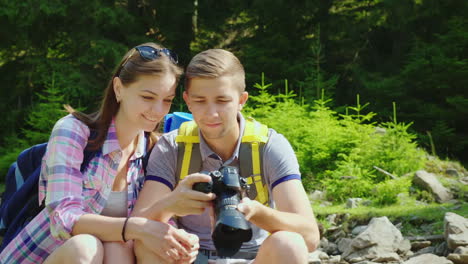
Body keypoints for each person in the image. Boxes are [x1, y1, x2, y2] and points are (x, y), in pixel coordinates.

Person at [0, 42, 199, 264]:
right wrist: (134, 227)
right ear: (118, 89)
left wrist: (179, 238)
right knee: (85, 246)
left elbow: (152, 221)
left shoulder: (155, 149)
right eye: (148, 97)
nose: (158, 111)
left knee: (118, 247)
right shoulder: (74, 131)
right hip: (44, 255)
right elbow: (63, 219)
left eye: (167, 100)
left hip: (111, 257)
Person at [132, 49, 320, 264]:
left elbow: (310, 236)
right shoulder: (173, 147)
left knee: (289, 243)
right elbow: (136, 225)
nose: (211, 113)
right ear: (187, 101)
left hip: (255, 257)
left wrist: (256, 211)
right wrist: (170, 204)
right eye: (200, 101)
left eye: (222, 101)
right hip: (190, 257)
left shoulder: (268, 146)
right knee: (146, 243)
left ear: (241, 100)